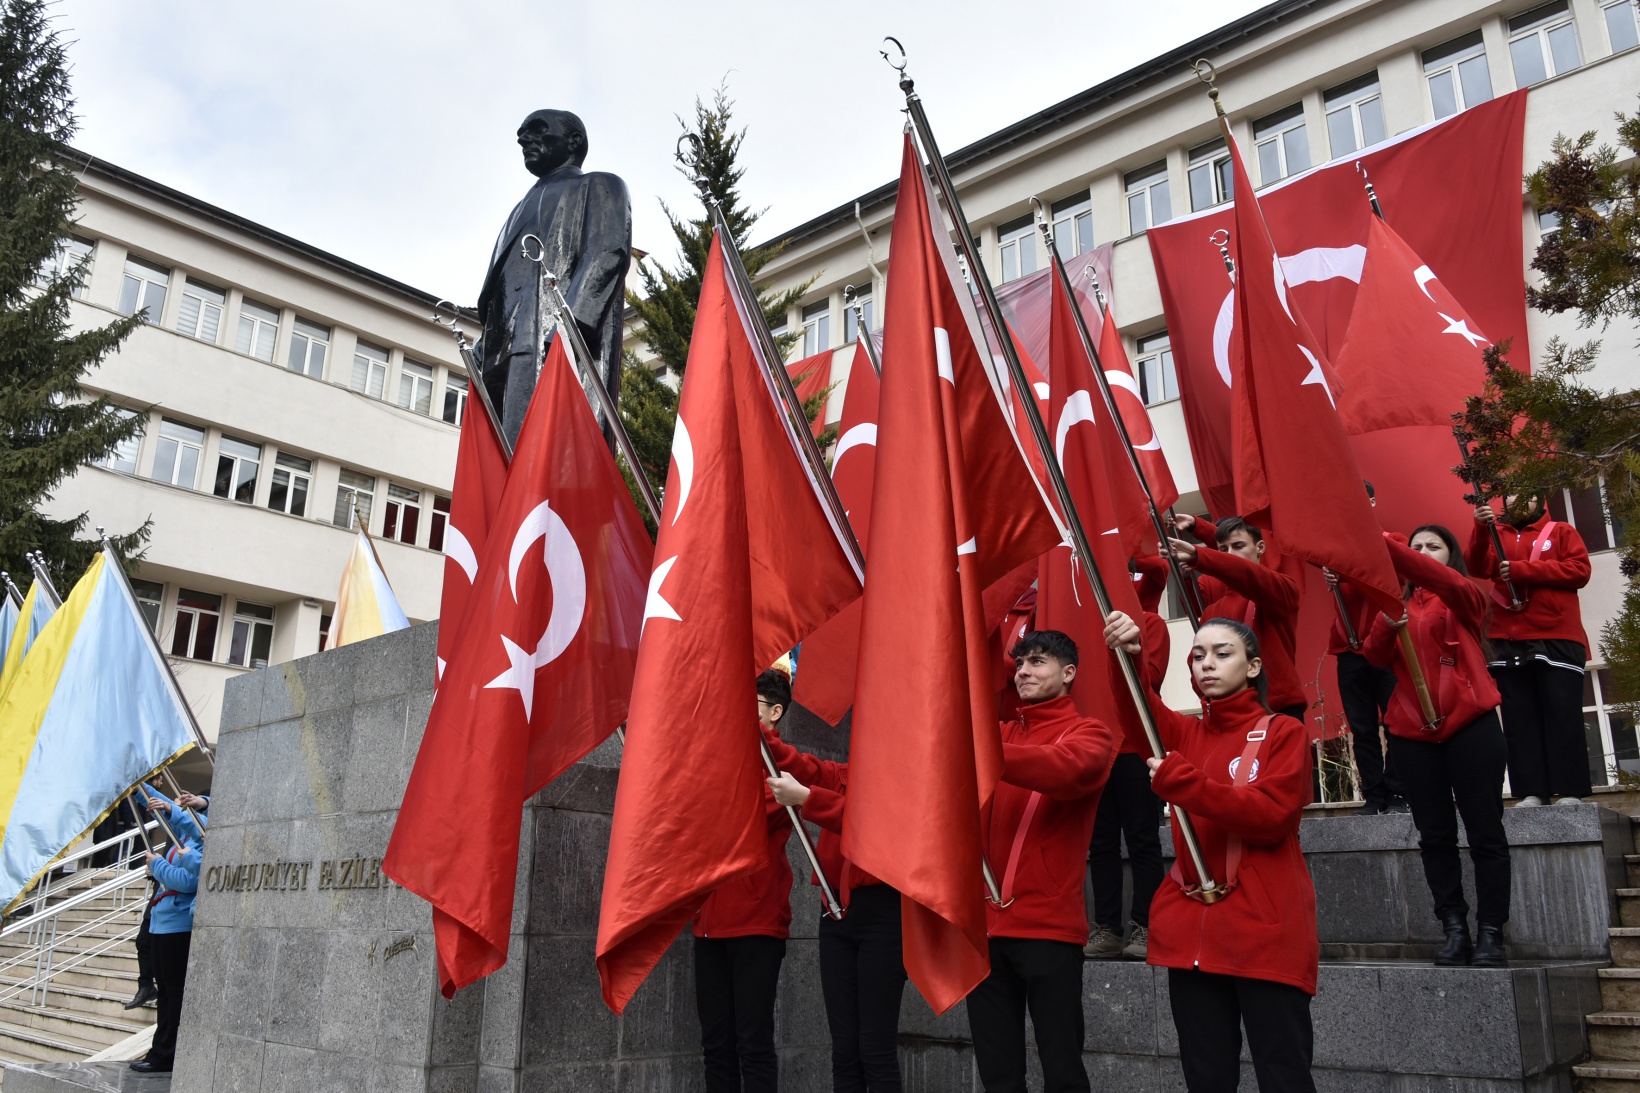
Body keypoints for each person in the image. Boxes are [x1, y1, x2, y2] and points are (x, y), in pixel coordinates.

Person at [1103, 611, 1318, 1093]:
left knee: (1284, 1076)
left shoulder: (1284, 732)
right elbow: (1138, 710)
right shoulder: (1185, 734)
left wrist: (1186, 783)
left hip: (1265, 933)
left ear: (1254, 667)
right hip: (1192, 938)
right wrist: (1125, 655)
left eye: (1223, 654)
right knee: (1206, 1077)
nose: (1207, 664)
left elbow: (1271, 817)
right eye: (1197, 655)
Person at [968, 629, 1117, 1093]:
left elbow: (1067, 771)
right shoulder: (998, 734)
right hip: (986, 928)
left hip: (1048, 928)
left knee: (1063, 1070)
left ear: (1068, 673)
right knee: (998, 1074)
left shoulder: (1090, 733)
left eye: (1037, 662)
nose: (1024, 672)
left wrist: (982, 751)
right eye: (1020, 664)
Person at [1363, 526, 1511, 966]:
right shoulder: (1394, 602)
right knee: (1435, 836)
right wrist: (1390, 624)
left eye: (1433, 547)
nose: (1424, 553)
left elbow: (1444, 581)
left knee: (1485, 831)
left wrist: (1381, 546)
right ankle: (1453, 927)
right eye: (1416, 548)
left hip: (1471, 727)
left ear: (1450, 555)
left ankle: (1491, 932)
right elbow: (1372, 654)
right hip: (1413, 735)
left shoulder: (1461, 593)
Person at [763, 680, 907, 1092]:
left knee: (874, 1049)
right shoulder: (842, 774)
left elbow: (870, 821)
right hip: (836, 914)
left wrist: (807, 798)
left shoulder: (906, 781)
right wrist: (751, 722)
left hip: (885, 916)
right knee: (844, 1049)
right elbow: (795, 761)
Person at [691, 669, 795, 1093]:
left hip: (756, 921)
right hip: (708, 921)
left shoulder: (781, 765)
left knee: (753, 1044)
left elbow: (732, 822)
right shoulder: (716, 756)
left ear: (774, 712)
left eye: (748, 705)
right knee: (715, 1044)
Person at [1467, 496, 1593, 805]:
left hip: (1556, 634)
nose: (1517, 499)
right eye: (1509, 493)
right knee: (1519, 717)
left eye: (1526, 493)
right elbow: (1477, 566)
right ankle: (1531, 791)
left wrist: (1524, 571)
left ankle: (1570, 790)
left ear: (1541, 498)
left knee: (1561, 713)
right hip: (1506, 635)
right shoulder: (1497, 533)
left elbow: (1580, 571)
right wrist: (1480, 528)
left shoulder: (1560, 531)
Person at [1085, 608, 1170, 962]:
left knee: (1142, 840)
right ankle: (1106, 927)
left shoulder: (1151, 622)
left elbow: (1149, 679)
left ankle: (1145, 924)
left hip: (1135, 746)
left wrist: (1126, 649)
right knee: (1100, 843)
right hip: (1095, 747)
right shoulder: (1087, 623)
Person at [1170, 515, 1306, 720]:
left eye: (1239, 546)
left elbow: (1248, 575)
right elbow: (1196, 664)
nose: (1230, 555)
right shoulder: (1211, 612)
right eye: (1223, 550)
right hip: (1228, 716)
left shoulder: (1280, 589)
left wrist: (1200, 552)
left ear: (1260, 547)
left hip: (1277, 711)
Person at [1322, 482, 1407, 815]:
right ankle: (1374, 796)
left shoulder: (1394, 541)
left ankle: (1398, 792)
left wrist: (1341, 573)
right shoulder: (1333, 547)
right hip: (1348, 648)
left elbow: (1384, 572)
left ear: (1371, 501)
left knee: (1397, 723)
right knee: (1362, 729)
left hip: (1385, 648)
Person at [130, 788, 203, 1073]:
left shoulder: (202, 838)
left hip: (179, 925)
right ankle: (158, 1052)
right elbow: (163, 813)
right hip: (162, 922)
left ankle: (166, 1055)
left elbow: (187, 882)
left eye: (189, 807)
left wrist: (157, 864)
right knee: (163, 993)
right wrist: (139, 788)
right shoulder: (184, 837)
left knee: (173, 993)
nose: (181, 810)